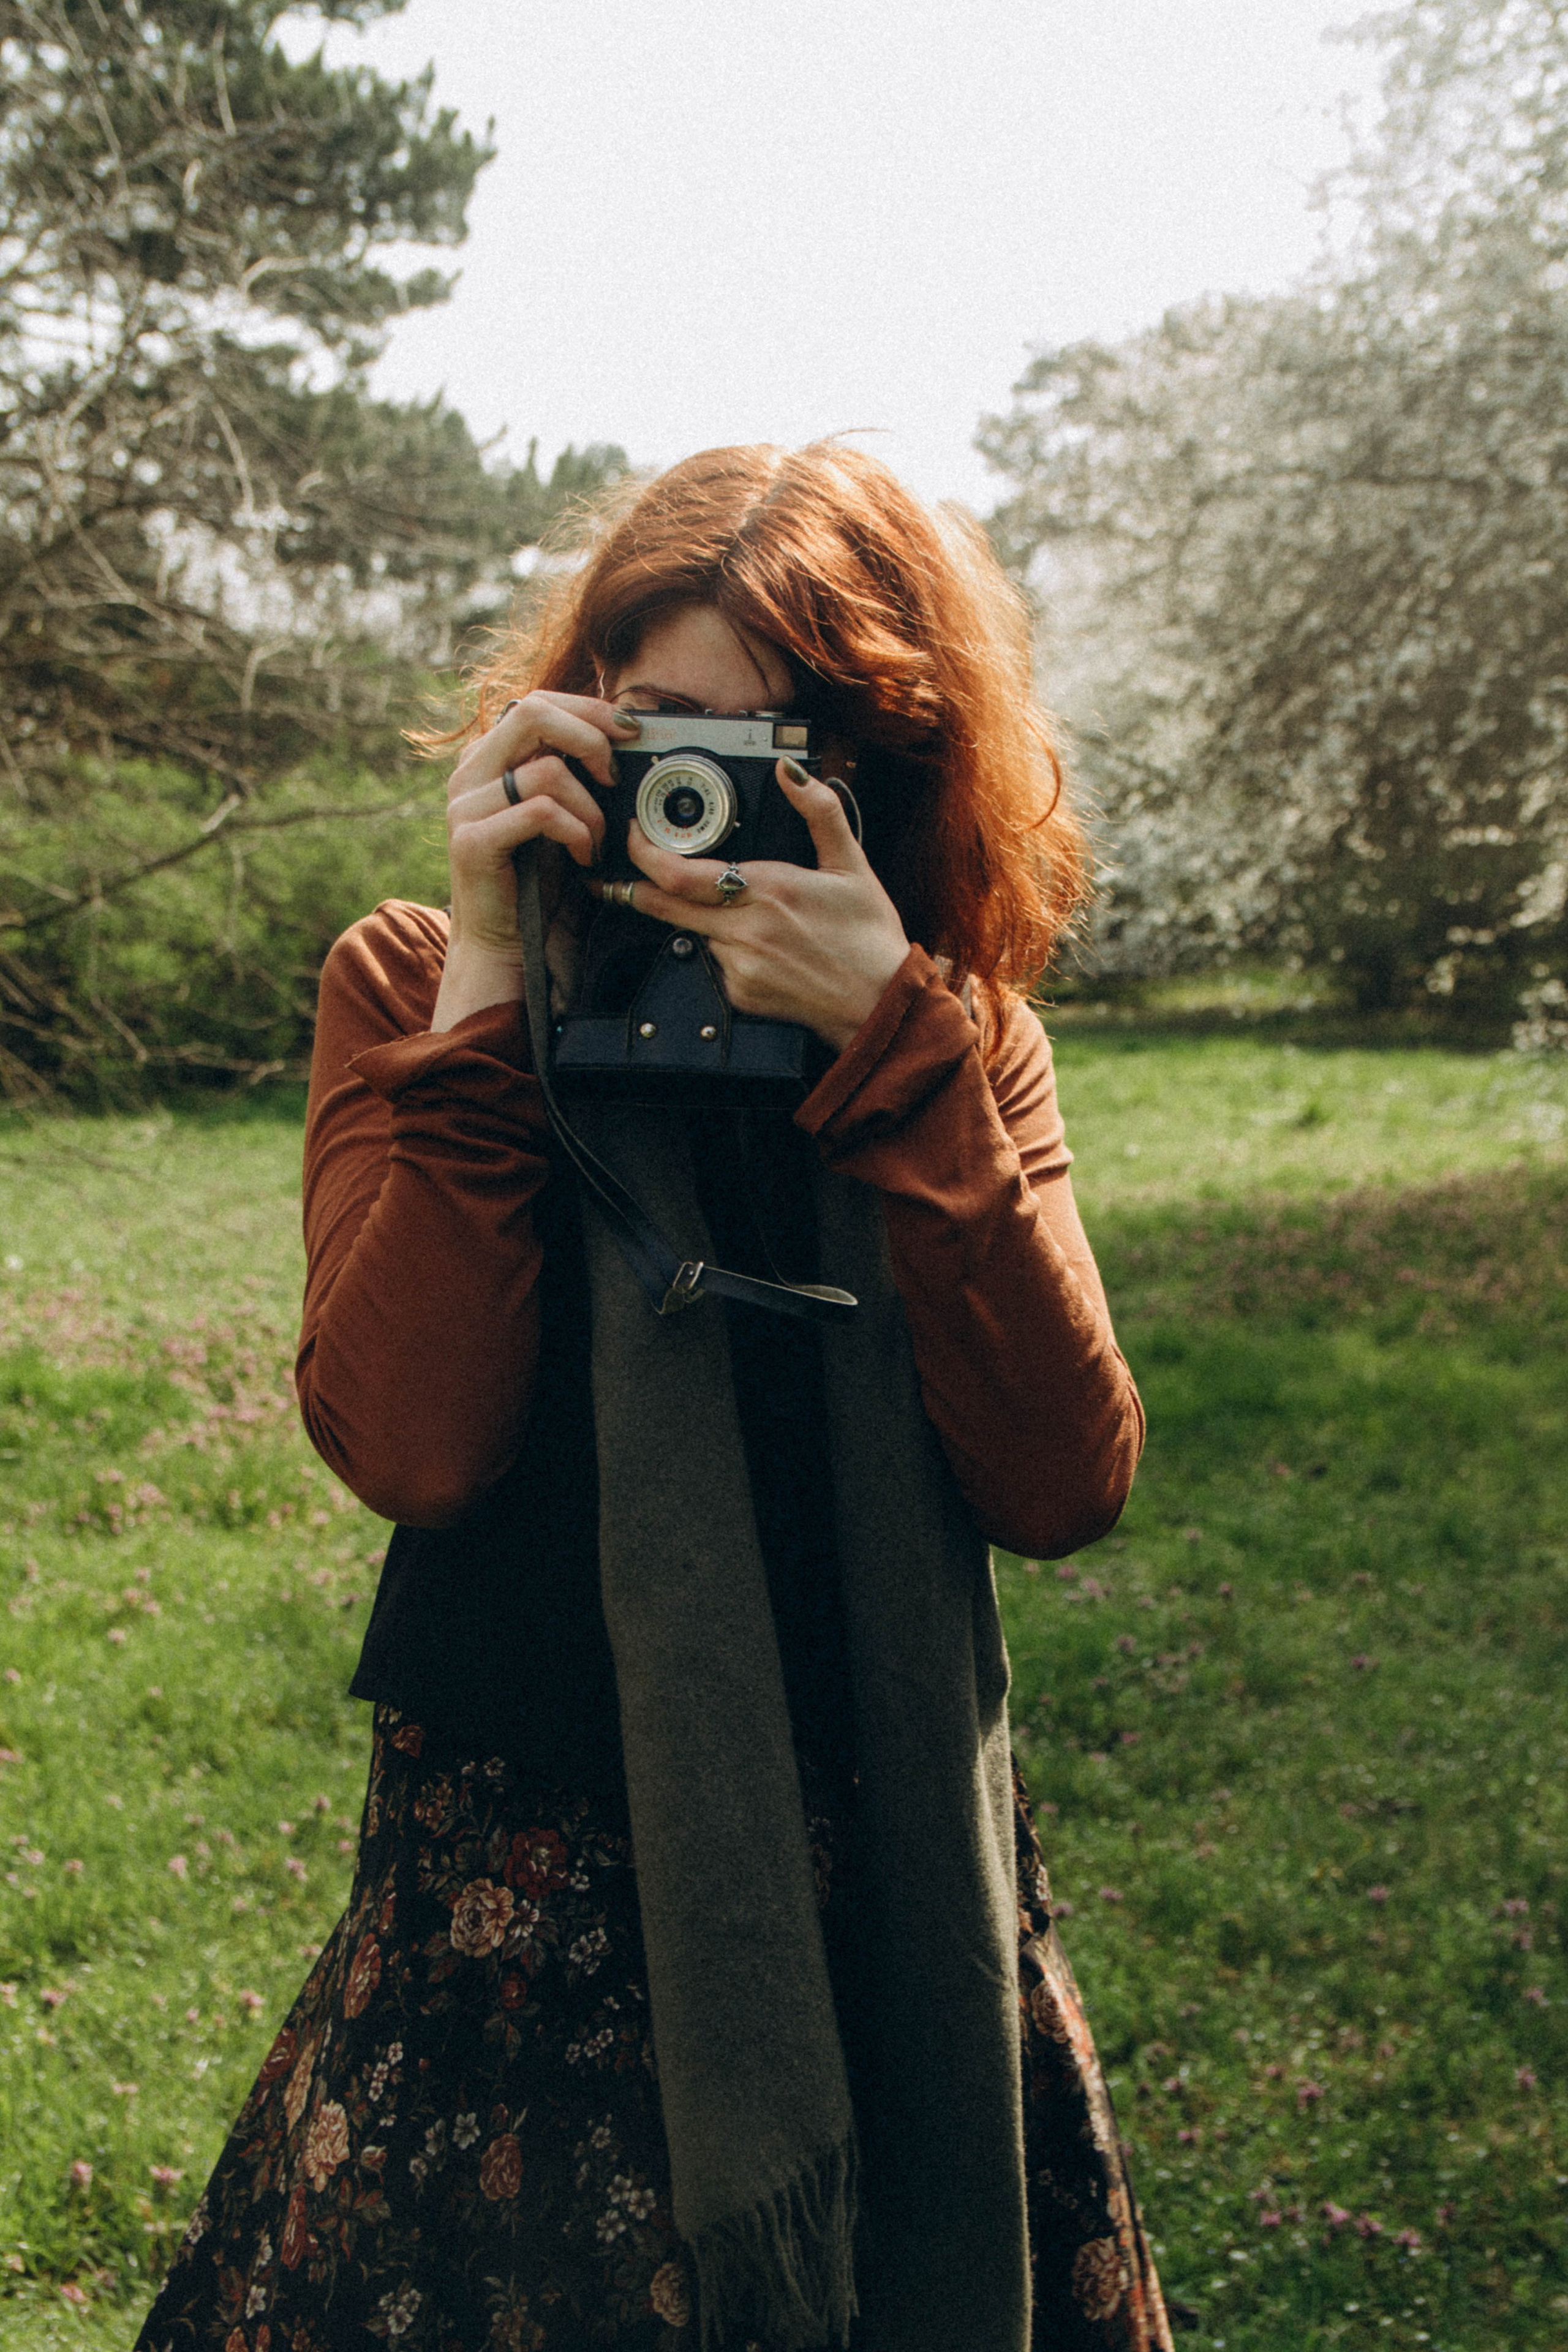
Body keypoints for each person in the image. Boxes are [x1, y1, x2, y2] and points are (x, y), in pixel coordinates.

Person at [135, 443, 1172, 2352]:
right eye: (654, 728)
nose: (696, 801)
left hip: (891, 1898)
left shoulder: (959, 1036)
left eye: (775, 753)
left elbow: (1062, 1480)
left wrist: (904, 1062)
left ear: (883, 775)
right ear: (572, 717)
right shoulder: (415, 984)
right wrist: (495, 967)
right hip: (516, 1914)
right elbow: (412, 1446)